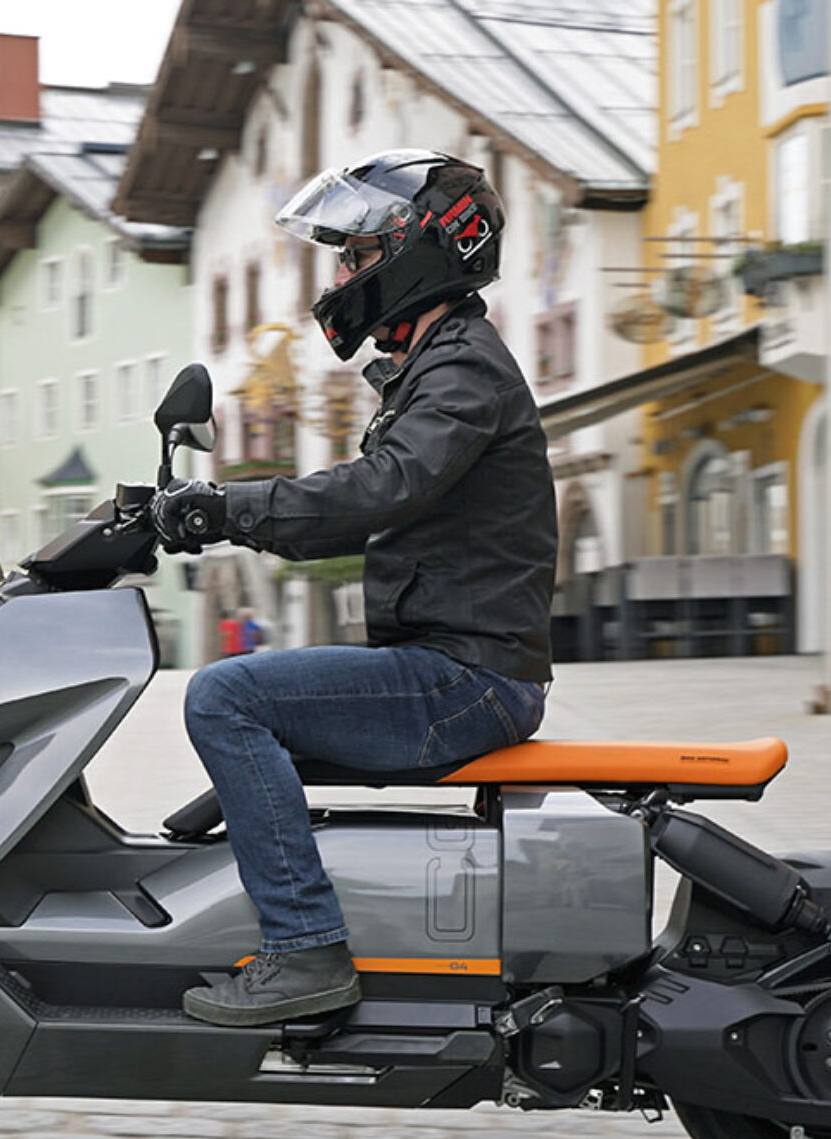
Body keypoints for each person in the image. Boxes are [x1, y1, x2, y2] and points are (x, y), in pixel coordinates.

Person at [149, 150, 558, 1027]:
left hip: (468, 679)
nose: (342, 276)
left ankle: (304, 950)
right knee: (264, 706)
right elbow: (367, 504)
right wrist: (223, 516)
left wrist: (226, 509)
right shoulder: (440, 366)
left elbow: (383, 489)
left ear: (418, 253)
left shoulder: (463, 373)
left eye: (357, 256)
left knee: (224, 697)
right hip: (456, 668)